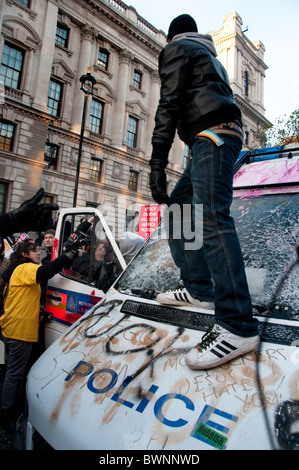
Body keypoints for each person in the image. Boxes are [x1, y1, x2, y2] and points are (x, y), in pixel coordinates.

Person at [149, 14, 259, 370]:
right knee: (180, 207)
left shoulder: (178, 48)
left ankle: (237, 324)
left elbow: (168, 105)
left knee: (211, 217)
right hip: (211, 138)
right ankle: (199, 288)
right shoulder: (208, 57)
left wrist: (156, 163)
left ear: (171, 38)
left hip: (212, 136)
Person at [0, 237, 79, 432]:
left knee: (13, 371)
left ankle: (11, 407)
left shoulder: (19, 269)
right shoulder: (26, 268)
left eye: (38, 249)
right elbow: (45, 272)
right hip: (20, 330)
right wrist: (68, 256)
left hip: (13, 326)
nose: (38, 252)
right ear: (25, 254)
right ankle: (7, 413)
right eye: (34, 250)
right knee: (14, 374)